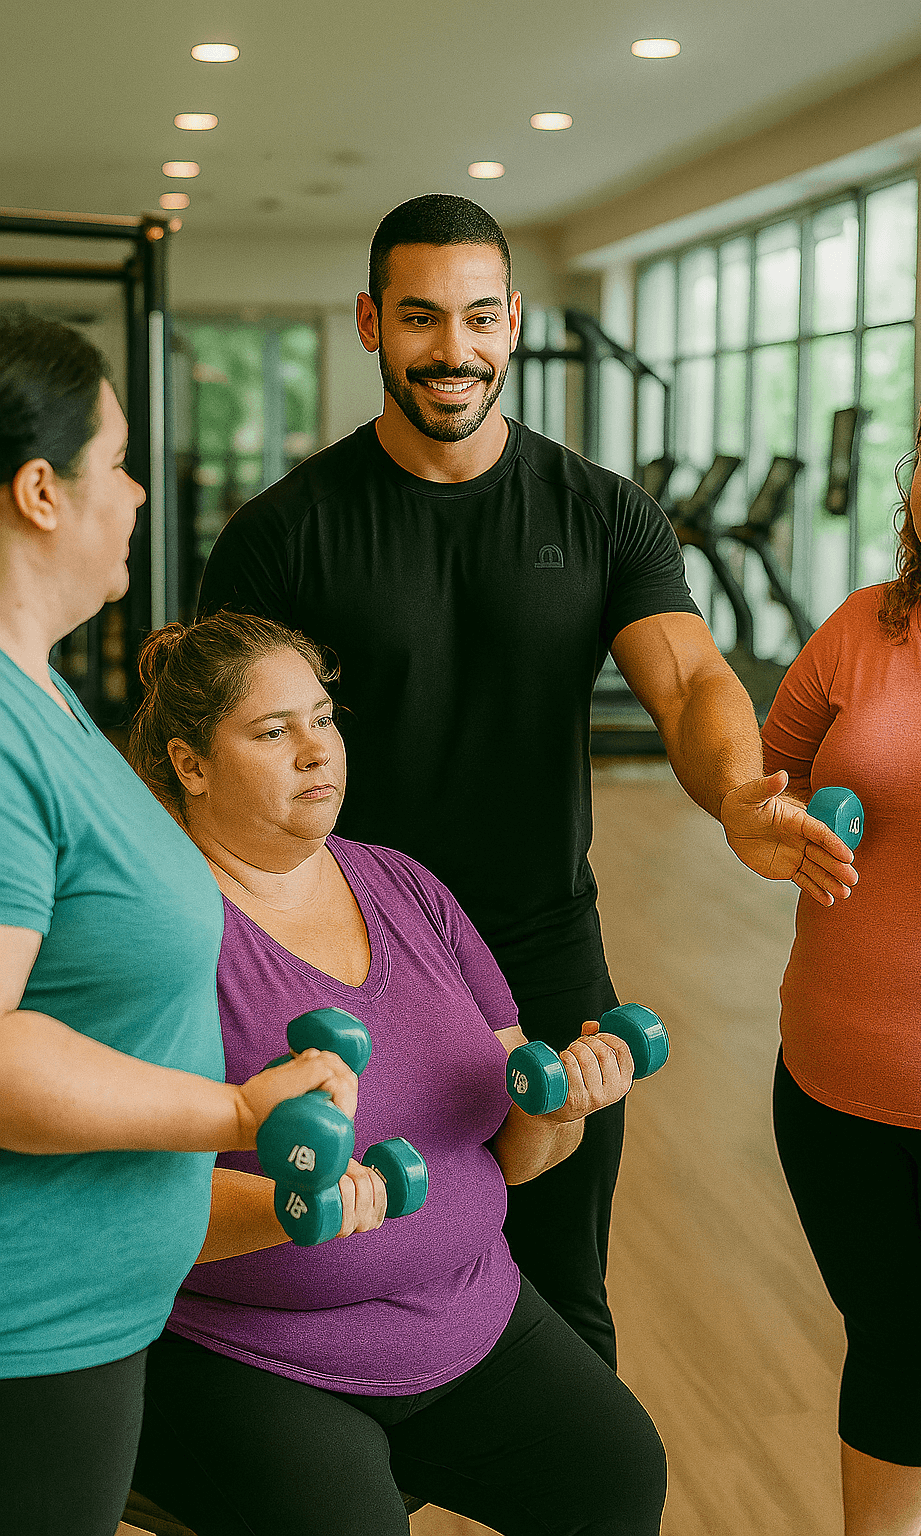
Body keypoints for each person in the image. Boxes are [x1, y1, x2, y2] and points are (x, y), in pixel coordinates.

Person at [196, 193, 856, 1369]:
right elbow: (216, 762)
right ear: (369, 324)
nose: (453, 349)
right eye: (420, 318)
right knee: (360, 1296)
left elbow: (692, 676)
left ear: (510, 326)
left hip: (543, 947)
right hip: (349, 965)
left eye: (479, 317)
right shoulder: (281, 535)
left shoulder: (603, 514)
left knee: (563, 1300)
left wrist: (738, 790)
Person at [125, 610, 668, 1534]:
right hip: (251, 1354)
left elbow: (520, 1155)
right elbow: (124, 1212)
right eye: (272, 731)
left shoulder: (405, 886)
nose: (316, 750)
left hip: (473, 1317)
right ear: (190, 764)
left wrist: (566, 1099)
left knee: (614, 1470)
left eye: (324, 719)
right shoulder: (155, 932)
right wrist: (304, 1211)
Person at [0, 314, 354, 1536]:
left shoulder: (40, 688)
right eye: (117, 457)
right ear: (42, 491)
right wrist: (238, 1115)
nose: (142, 488)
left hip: (86, 1315)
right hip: (28, 1325)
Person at [762, 351, 921, 1535]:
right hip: (829, 1088)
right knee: (894, 1344)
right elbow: (762, 780)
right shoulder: (863, 625)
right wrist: (785, 822)